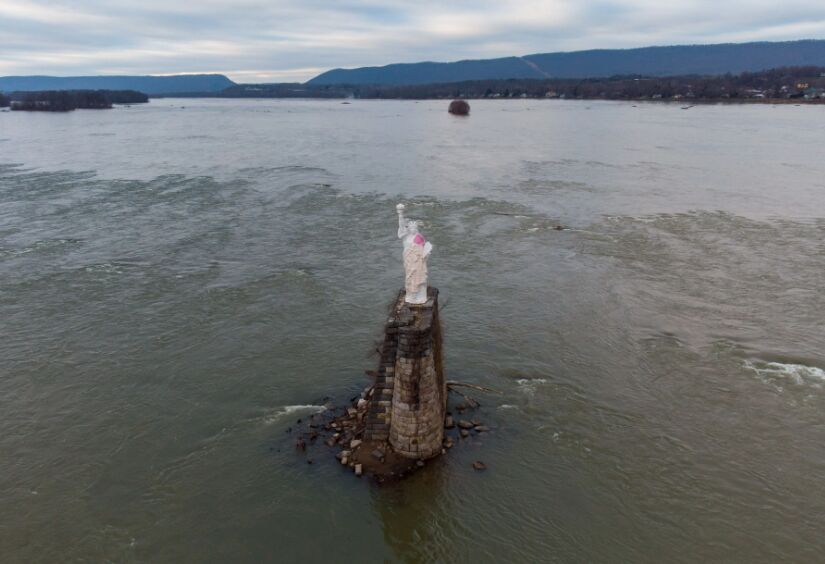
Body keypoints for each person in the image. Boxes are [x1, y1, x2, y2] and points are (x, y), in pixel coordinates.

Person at [396, 204, 433, 304]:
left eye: (414, 228)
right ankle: (412, 296)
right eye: (411, 228)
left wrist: (426, 253)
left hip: (418, 263)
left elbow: (423, 249)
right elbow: (401, 226)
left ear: (416, 228)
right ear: (408, 228)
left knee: (419, 278)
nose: (412, 229)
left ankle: (420, 296)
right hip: (409, 261)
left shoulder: (419, 237)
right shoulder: (406, 237)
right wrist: (400, 214)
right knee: (410, 278)